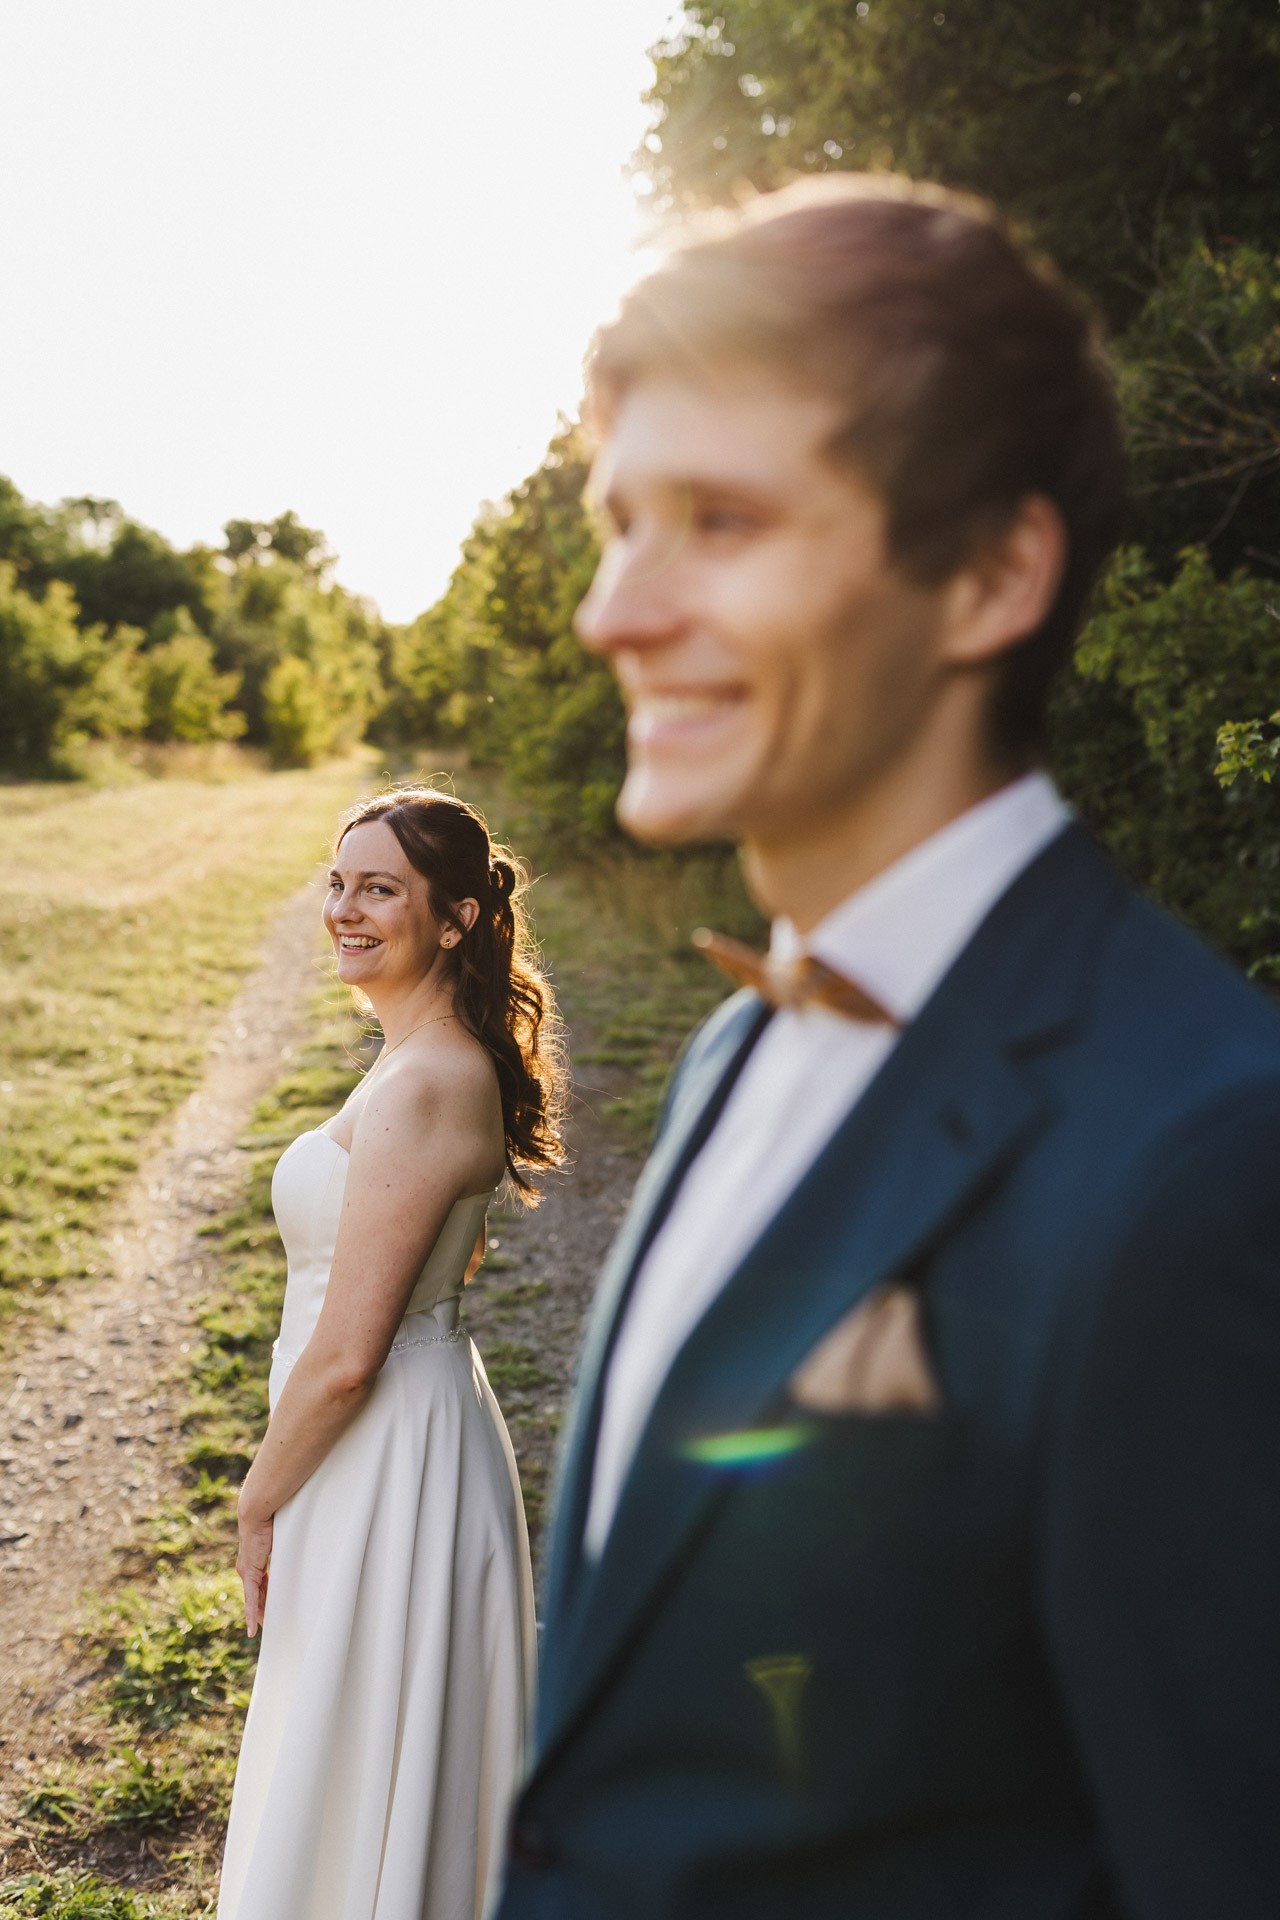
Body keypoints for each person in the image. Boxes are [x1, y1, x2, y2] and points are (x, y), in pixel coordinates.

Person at [493, 176, 1280, 1919]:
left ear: (993, 573)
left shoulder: (1206, 1166)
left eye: (719, 521)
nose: (611, 612)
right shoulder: (732, 1045)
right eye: (619, 522)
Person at [218, 786, 565, 1920]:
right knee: (353, 1737)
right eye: (338, 883)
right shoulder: (419, 1060)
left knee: (362, 1738)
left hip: (380, 1448)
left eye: (381, 890)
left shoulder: (426, 1081)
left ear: (454, 919)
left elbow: (349, 1354)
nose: (346, 911)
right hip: (385, 1437)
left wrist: (257, 1500)